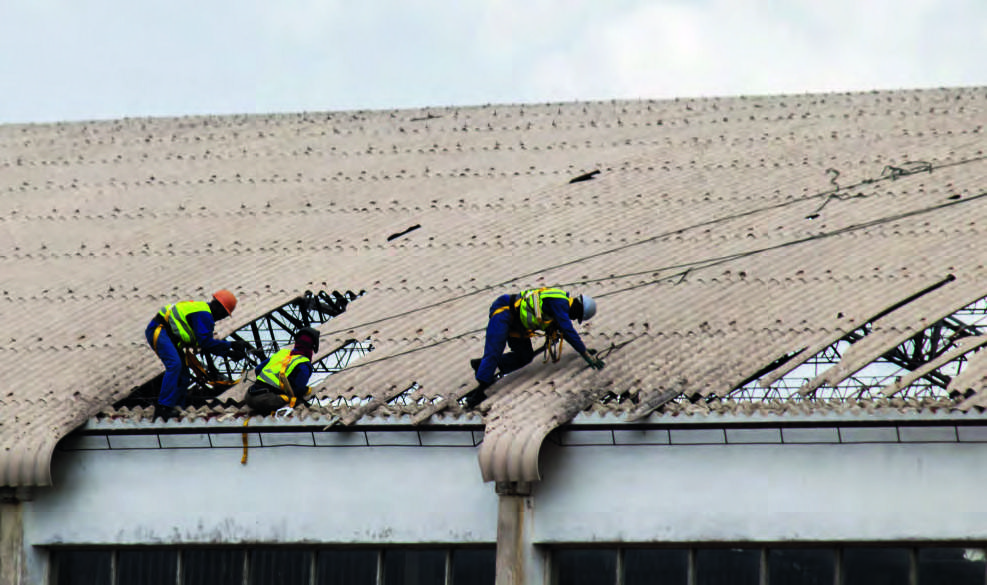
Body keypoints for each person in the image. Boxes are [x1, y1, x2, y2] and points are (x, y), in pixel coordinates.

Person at [464, 287, 604, 408]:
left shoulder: (559, 308)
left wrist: (583, 351)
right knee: (494, 351)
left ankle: (480, 364)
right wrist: (584, 353)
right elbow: (567, 330)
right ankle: (477, 394)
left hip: (518, 324)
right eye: (576, 317)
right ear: (578, 309)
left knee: (524, 356)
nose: (573, 319)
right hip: (505, 311)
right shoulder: (560, 302)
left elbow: (563, 330)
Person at [145, 289, 250, 421]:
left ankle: (177, 407)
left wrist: (229, 351)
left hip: (169, 337)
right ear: (217, 306)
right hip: (160, 331)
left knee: (184, 375)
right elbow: (205, 342)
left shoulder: (204, 313)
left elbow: (205, 343)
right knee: (174, 365)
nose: (222, 317)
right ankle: (163, 408)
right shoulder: (204, 314)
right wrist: (231, 347)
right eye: (223, 313)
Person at [244, 327, 319, 415]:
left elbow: (258, 369)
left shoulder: (281, 353)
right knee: (297, 402)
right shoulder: (304, 364)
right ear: (311, 348)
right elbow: (298, 390)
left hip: (249, 396)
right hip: (265, 401)